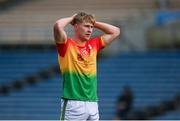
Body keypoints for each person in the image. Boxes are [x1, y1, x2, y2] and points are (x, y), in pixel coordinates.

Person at [53, 12, 120, 120]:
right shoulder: (66, 45)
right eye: (86, 26)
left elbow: (116, 31)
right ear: (75, 26)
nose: (90, 30)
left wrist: (93, 22)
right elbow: (58, 25)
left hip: (93, 103)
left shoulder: (94, 45)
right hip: (73, 103)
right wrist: (72, 18)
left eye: (91, 27)